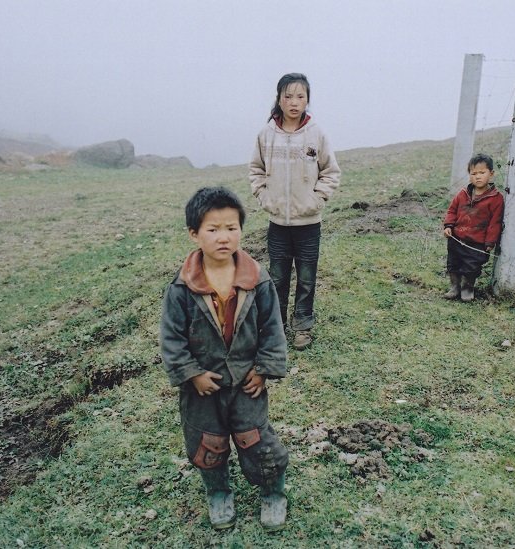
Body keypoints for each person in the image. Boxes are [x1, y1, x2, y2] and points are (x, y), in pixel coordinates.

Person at [160, 187, 289, 532]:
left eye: (231, 228)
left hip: (247, 382)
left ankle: (273, 492)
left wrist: (263, 369)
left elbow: (273, 328)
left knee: (256, 439)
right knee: (208, 443)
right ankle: (218, 493)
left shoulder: (257, 280)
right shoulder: (181, 288)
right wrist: (191, 374)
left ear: (242, 230)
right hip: (203, 387)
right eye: (213, 229)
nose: (223, 237)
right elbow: (171, 339)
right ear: (194, 234)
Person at [250, 72, 341, 350]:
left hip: (309, 224)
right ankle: (275, 328)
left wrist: (317, 199)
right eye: (288, 96)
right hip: (278, 224)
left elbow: (331, 172)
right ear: (278, 99)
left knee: (307, 278)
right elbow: (256, 170)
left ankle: (302, 325)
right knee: (277, 278)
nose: (294, 102)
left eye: (300, 96)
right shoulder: (266, 135)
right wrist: (265, 197)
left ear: (307, 100)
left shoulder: (316, 134)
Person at [443, 153, 504, 301]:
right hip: (456, 238)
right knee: (453, 263)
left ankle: (467, 288)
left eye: (482, 173)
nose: (478, 177)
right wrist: (449, 225)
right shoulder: (462, 194)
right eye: (473, 173)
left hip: (477, 243)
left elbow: (495, 222)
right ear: (469, 175)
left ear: (491, 174)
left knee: (472, 267)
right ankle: (455, 287)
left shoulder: (496, 199)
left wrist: (490, 242)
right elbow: (452, 210)